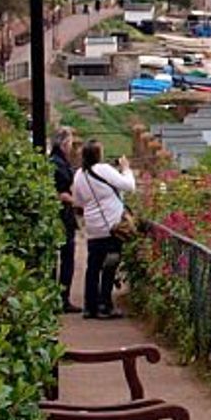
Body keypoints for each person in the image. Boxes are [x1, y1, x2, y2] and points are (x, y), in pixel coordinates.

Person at [70, 140, 138, 319]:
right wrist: (126, 169)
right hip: (112, 226)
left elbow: (78, 201)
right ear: (98, 155)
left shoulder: (79, 175)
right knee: (110, 265)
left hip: (93, 227)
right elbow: (129, 186)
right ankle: (105, 305)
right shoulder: (104, 169)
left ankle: (90, 306)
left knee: (93, 267)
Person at [48, 127, 80, 312]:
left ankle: (57, 297)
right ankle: (61, 298)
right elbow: (58, 190)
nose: (71, 146)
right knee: (66, 255)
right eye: (70, 142)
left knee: (60, 256)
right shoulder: (57, 163)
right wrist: (70, 198)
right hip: (62, 214)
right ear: (63, 143)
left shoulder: (57, 161)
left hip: (62, 213)